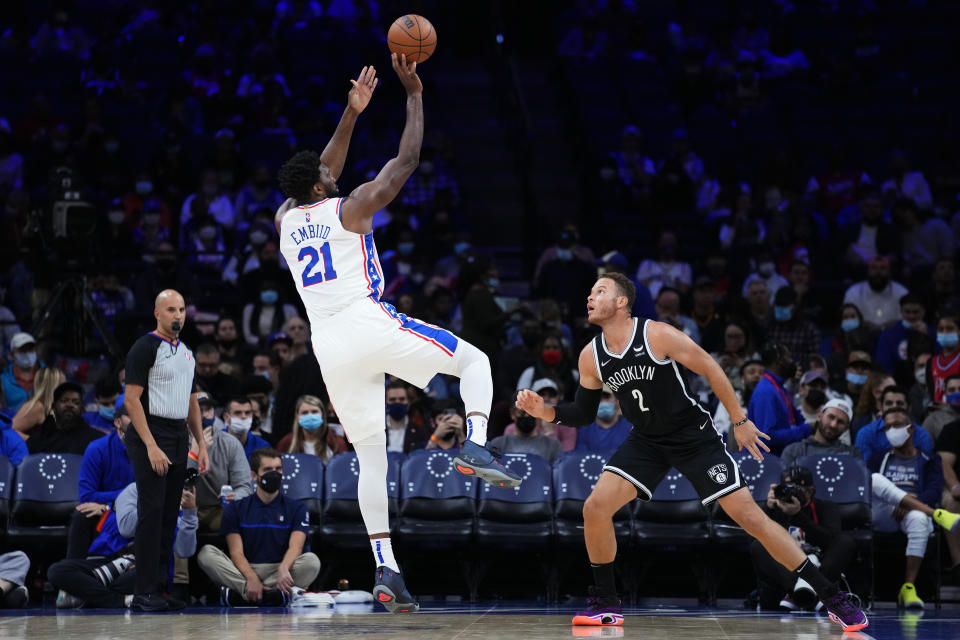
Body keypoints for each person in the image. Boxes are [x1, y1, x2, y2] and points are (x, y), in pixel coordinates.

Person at [274, 58, 520, 613]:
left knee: (370, 454)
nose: (334, 172)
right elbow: (406, 161)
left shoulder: (287, 219)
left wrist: (351, 113)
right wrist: (413, 94)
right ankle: (477, 443)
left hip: (327, 345)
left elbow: (322, 167)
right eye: (327, 175)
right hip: (366, 321)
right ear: (322, 185)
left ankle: (388, 570)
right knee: (475, 362)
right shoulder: (351, 207)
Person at [515, 273, 867, 631]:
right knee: (595, 508)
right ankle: (606, 601)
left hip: (693, 436)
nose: (590, 298)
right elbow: (583, 413)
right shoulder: (591, 356)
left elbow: (710, 367)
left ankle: (830, 594)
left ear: (622, 302)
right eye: (590, 292)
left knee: (750, 517)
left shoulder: (656, 334)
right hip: (647, 441)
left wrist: (739, 419)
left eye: (599, 291)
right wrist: (543, 410)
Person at [123, 289, 210, 612]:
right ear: (157, 314)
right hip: (151, 430)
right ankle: (143, 591)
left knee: (169, 515)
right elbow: (131, 400)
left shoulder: (186, 352)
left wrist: (200, 443)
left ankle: (159, 589)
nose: (178, 315)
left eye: (182, 309)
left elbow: (191, 401)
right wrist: (150, 446)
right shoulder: (145, 347)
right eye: (171, 309)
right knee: (152, 511)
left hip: (177, 433)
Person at [197, 448, 320, 606]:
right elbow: (236, 553)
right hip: (245, 569)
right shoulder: (235, 509)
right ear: (254, 476)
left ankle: (242, 596)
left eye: (278, 469)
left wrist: (284, 568)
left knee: (312, 561)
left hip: (280, 569)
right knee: (206, 553)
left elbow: (296, 547)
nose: (274, 473)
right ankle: (273, 596)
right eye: (268, 469)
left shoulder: (298, 508)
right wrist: (251, 578)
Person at [50, 481, 198, 609]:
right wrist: (156, 503)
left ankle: (84, 593)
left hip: (147, 566)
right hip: (113, 559)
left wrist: (190, 514)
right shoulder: (132, 491)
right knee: (57, 571)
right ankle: (121, 600)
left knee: (141, 580)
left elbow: (184, 551)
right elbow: (127, 529)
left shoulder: (180, 508)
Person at [868, 407, 960, 608]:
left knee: (919, 519)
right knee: (875, 478)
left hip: (913, 513)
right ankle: (937, 515)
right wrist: (900, 499)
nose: (892, 430)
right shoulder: (878, 457)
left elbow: (935, 491)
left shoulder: (929, 459)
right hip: (883, 512)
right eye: (888, 427)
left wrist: (910, 503)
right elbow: (868, 488)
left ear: (911, 429)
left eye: (897, 425)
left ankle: (908, 588)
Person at [751, 465, 855, 611]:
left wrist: (797, 515)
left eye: (800, 489)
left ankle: (815, 592)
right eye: (789, 488)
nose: (793, 494)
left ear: (812, 491)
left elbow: (830, 539)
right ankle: (798, 592)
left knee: (845, 541)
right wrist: (769, 509)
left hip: (820, 562)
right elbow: (757, 534)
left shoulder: (826, 507)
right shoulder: (774, 507)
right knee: (758, 544)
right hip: (787, 568)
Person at [67, 399, 135, 559]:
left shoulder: (150, 450)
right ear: (117, 422)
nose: (139, 421)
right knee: (82, 514)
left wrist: (108, 505)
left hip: (137, 510)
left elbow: (149, 493)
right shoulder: (97, 448)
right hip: (106, 510)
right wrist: (116, 503)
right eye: (132, 416)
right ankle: (72, 573)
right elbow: (87, 496)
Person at [747, 343, 809, 454]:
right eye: (789, 357)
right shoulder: (766, 391)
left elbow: (794, 421)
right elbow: (767, 437)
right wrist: (805, 430)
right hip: (768, 463)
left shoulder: (779, 387)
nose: (792, 362)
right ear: (779, 361)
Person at [855, 385, 935, 463]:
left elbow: (927, 466)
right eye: (889, 403)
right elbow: (863, 468)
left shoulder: (922, 435)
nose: (894, 407)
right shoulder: (866, 433)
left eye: (899, 403)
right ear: (881, 407)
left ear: (909, 407)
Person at [25, 382, 105, 455]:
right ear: (53, 407)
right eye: (64, 401)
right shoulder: (38, 439)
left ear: (82, 409)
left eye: (76, 402)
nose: (70, 405)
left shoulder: (95, 439)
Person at [502, 378, 576, 451]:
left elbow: (566, 456)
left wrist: (549, 432)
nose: (547, 398)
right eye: (542, 394)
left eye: (552, 395)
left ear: (559, 398)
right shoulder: (516, 427)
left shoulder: (567, 425)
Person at [780, 399, 858, 468]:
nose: (833, 425)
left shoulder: (852, 454)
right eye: (831, 417)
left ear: (846, 428)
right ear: (820, 416)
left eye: (840, 422)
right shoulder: (794, 451)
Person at [842, 256, 909, 332]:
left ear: (889, 272)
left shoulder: (902, 292)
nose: (878, 272)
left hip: (893, 337)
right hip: (861, 337)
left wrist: (884, 327)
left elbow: (907, 321)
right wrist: (863, 324)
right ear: (867, 271)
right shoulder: (853, 292)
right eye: (874, 268)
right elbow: (847, 321)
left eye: (883, 268)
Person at [277, 394, 348, 461]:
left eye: (314, 412)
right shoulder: (286, 442)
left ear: (322, 415)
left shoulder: (337, 442)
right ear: (297, 417)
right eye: (304, 413)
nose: (310, 416)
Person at [491, 398, 563, 463]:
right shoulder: (497, 444)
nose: (527, 415)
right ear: (512, 413)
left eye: (532, 411)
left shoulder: (553, 445)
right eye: (522, 411)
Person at [574, 386, 632, 453]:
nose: (603, 401)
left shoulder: (630, 428)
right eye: (597, 397)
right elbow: (580, 457)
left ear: (617, 400)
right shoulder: (584, 429)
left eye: (606, 396)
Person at [11, 366, 65, 436]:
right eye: (62, 385)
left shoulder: (54, 409)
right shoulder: (37, 407)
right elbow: (10, 430)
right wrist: (34, 443)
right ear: (52, 387)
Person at [384, 380, 430, 454]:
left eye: (402, 399)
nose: (397, 402)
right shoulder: (375, 431)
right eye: (392, 400)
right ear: (385, 403)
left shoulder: (421, 431)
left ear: (409, 402)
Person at [1, 332, 42, 413]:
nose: (27, 354)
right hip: (13, 423)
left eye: (30, 349)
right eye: (23, 350)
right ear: (13, 354)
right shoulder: (2, 380)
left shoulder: (49, 375)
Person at [222, 396, 270, 460]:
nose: (243, 416)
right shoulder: (215, 442)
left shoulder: (262, 446)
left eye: (247, 413)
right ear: (226, 417)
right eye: (238, 413)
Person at [923, 374, 960, 441]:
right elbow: (924, 448)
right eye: (952, 390)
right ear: (945, 393)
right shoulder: (933, 419)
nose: (957, 393)